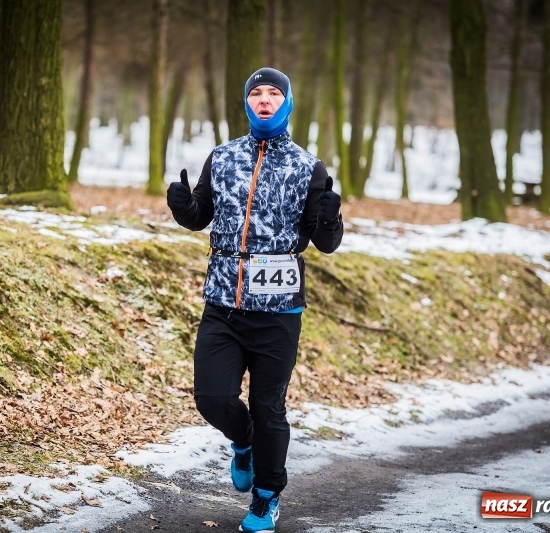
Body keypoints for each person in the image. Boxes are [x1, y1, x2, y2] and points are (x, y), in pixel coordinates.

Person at [166, 67, 343, 533]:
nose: (265, 100)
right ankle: (242, 441)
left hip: (279, 310)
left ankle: (266, 497)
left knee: (269, 408)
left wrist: (329, 219)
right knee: (212, 397)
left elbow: (324, 243)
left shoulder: (308, 167)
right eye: (257, 93)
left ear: (286, 103)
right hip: (223, 302)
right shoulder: (222, 159)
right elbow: (200, 215)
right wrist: (183, 206)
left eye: (274, 93)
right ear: (247, 102)